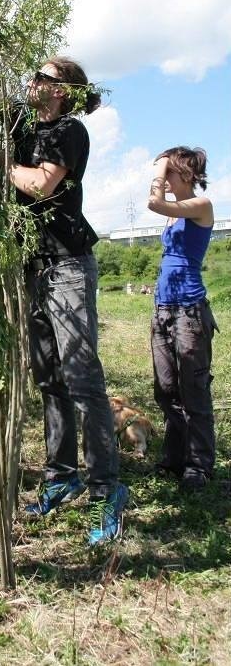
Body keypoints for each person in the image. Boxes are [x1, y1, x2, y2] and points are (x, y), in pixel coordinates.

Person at [1, 57, 128, 545]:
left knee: (81, 378)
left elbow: (40, 184)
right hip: (33, 265)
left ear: (63, 91)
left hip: (68, 265)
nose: (33, 81)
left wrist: (1, 165)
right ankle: (62, 476)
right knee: (48, 376)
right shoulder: (24, 124)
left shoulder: (67, 132)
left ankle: (105, 490)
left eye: (43, 77)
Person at [148, 147, 218, 491]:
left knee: (194, 391)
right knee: (165, 390)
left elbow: (154, 202)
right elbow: (161, 208)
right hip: (162, 309)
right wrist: (164, 168)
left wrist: (159, 168)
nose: (166, 178)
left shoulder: (200, 207)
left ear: (187, 175)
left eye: (171, 172)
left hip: (188, 311)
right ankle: (176, 456)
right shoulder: (173, 215)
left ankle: (199, 464)